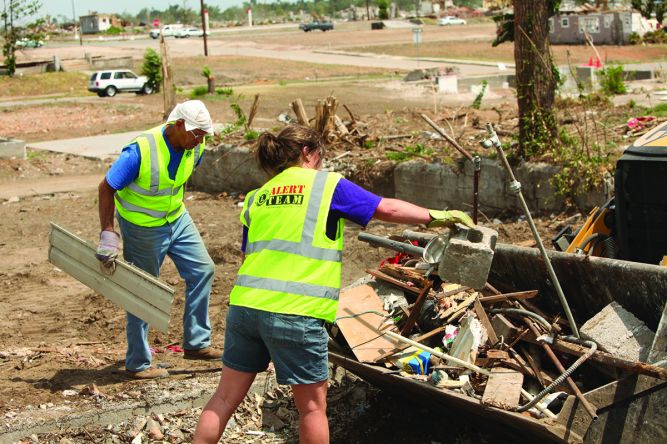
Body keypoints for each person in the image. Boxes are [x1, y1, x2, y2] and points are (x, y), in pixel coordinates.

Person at [193, 124, 473, 443]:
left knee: (225, 399)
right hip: (296, 313)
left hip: (244, 310)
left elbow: (249, 257)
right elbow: (386, 209)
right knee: (312, 410)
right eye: (321, 155)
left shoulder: (258, 197)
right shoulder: (326, 186)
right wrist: (438, 215)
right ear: (308, 153)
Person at [96, 100, 222, 380]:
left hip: (177, 218)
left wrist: (174, 207)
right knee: (144, 290)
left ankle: (196, 344)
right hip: (142, 228)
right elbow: (106, 188)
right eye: (196, 133)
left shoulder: (195, 146)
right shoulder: (139, 152)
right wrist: (108, 231)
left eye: (203, 134)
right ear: (178, 125)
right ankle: (138, 362)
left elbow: (176, 180)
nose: (200, 140)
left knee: (203, 269)